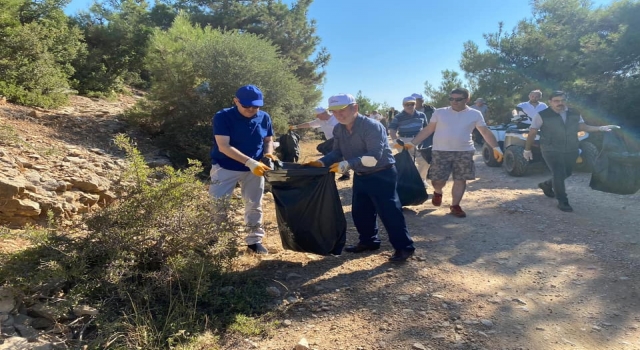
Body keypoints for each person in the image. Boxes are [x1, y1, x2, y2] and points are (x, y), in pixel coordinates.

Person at [304, 93, 415, 262]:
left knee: (389, 212)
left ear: (354, 108)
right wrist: (321, 162)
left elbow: (374, 156)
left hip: (382, 173)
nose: (338, 115)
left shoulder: (372, 126)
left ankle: (404, 248)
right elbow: (337, 151)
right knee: (360, 211)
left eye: (342, 110)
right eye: (334, 111)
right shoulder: (339, 128)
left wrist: (347, 164)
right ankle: (369, 241)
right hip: (361, 174)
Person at [407, 88, 503, 218]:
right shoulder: (440, 112)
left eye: (458, 99)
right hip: (441, 151)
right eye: (451, 99)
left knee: (460, 179)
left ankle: (455, 205)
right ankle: (438, 191)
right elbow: (429, 129)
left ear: (467, 99)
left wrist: (496, 148)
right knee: (437, 181)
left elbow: (485, 132)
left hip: (464, 151)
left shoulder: (475, 114)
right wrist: (412, 143)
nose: (454, 102)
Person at [524, 91, 620, 212]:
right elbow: (532, 132)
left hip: (571, 147)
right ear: (550, 102)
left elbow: (583, 127)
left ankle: (547, 185)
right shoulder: (542, 114)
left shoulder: (574, 113)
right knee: (558, 172)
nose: (560, 103)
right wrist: (527, 149)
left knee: (567, 172)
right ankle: (563, 201)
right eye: (556, 101)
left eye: (562, 100)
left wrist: (601, 128)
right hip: (550, 148)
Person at [209, 85, 274, 254]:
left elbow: (268, 139)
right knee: (219, 204)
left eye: (256, 106)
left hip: (255, 170)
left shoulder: (264, 117)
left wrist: (269, 154)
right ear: (236, 101)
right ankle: (219, 240)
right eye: (246, 106)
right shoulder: (223, 117)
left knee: (254, 204)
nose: (251, 109)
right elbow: (224, 146)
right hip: (225, 167)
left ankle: (254, 240)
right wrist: (250, 162)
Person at [289, 107, 350, 180]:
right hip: (331, 142)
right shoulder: (320, 121)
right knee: (334, 155)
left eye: (318, 115)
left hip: (340, 140)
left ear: (324, 113)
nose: (317, 117)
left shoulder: (336, 118)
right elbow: (309, 124)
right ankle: (344, 173)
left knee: (322, 147)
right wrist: (295, 127)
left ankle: (333, 166)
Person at [389, 96, 430, 186]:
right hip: (403, 140)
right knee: (407, 163)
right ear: (403, 105)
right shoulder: (398, 117)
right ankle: (409, 182)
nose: (410, 106)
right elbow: (392, 130)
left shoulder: (421, 115)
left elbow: (426, 128)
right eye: (407, 104)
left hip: (419, 139)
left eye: (412, 104)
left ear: (415, 104)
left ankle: (421, 180)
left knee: (425, 161)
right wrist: (395, 142)